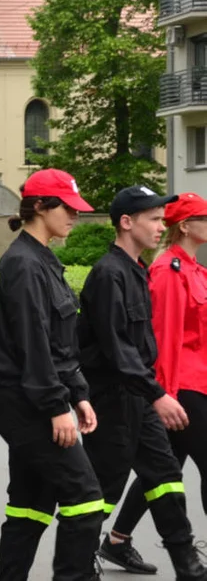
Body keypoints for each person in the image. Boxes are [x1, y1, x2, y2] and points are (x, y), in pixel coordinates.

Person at [0, 169, 105, 581]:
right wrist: (57, 406)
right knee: (85, 499)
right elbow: (34, 347)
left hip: (27, 395)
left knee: (31, 503)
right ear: (39, 207)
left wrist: (79, 394)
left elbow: (58, 343)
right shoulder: (24, 266)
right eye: (67, 208)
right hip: (24, 399)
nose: (75, 216)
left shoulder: (41, 259)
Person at [77, 186, 207, 580]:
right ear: (126, 222)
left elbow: (141, 346)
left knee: (166, 478)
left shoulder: (134, 271)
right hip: (115, 398)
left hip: (142, 395)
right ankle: (79, 561)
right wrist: (161, 393)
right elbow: (119, 350)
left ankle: (188, 566)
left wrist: (153, 393)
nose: (160, 224)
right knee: (105, 490)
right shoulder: (109, 274)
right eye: (153, 218)